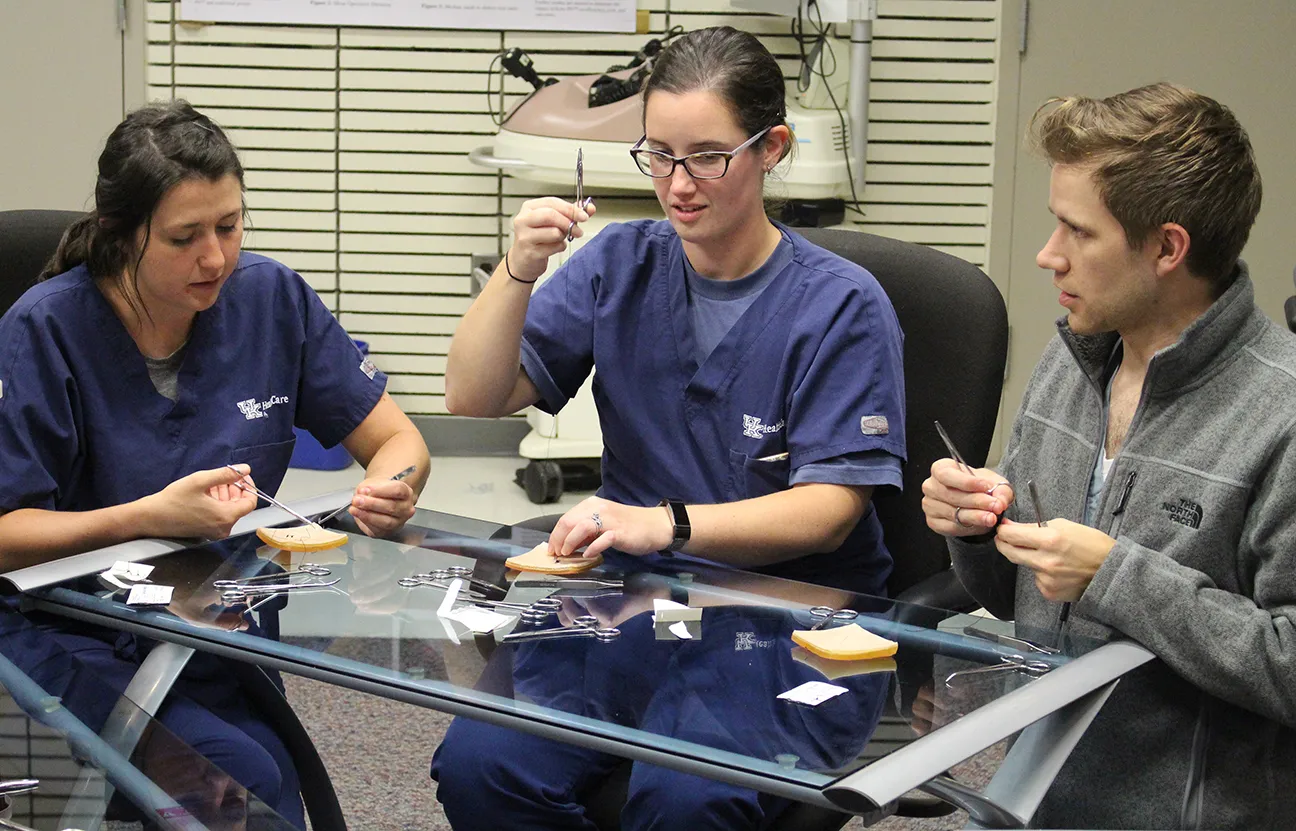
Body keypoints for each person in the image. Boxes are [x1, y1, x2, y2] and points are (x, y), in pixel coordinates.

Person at [434, 25, 905, 830]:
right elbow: (473, 397)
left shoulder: (841, 306)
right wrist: (519, 270)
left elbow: (830, 511)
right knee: (482, 769)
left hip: (781, 618)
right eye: (659, 155)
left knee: (684, 801)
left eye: (708, 157)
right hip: (632, 602)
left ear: (772, 148)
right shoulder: (621, 264)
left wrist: (663, 522)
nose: (679, 185)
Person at [0, 100, 431, 826]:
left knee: (282, 798)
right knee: (236, 783)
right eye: (183, 237)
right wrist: (147, 517)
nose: (215, 258)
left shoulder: (270, 299)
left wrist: (391, 488)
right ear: (118, 235)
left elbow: (401, 443)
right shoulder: (43, 332)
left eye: (229, 227)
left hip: (212, 625)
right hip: (67, 631)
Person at [922, 82, 1296, 828]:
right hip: (1023, 796)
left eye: (1077, 232)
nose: (1047, 255)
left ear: (1166, 247)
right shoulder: (1075, 363)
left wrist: (1115, 576)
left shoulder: (1281, 413)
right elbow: (1013, 596)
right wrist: (973, 526)